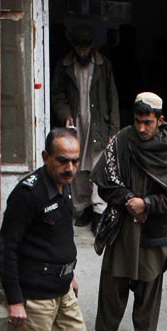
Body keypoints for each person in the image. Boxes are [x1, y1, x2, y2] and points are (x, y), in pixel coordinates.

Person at [0, 128, 103, 331]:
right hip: (34, 294)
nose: (70, 167)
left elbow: (59, 236)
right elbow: (7, 249)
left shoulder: (65, 185)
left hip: (62, 286)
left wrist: (69, 276)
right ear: (45, 158)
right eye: (62, 161)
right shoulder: (28, 195)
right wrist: (15, 300)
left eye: (74, 160)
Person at [89, 92, 167, 331]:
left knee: (148, 285)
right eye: (137, 121)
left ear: (160, 120)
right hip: (121, 226)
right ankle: (103, 330)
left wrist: (147, 204)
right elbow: (104, 182)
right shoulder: (121, 141)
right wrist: (129, 201)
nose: (141, 128)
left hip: (153, 230)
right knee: (112, 281)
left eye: (148, 122)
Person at [51, 24, 120, 230]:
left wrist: (114, 129)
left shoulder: (103, 65)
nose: (83, 52)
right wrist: (65, 116)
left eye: (86, 48)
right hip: (76, 124)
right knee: (78, 167)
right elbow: (57, 96)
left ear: (92, 46)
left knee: (98, 167)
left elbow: (112, 97)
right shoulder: (64, 65)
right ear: (74, 46)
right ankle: (83, 208)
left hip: (99, 124)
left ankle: (99, 210)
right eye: (80, 48)